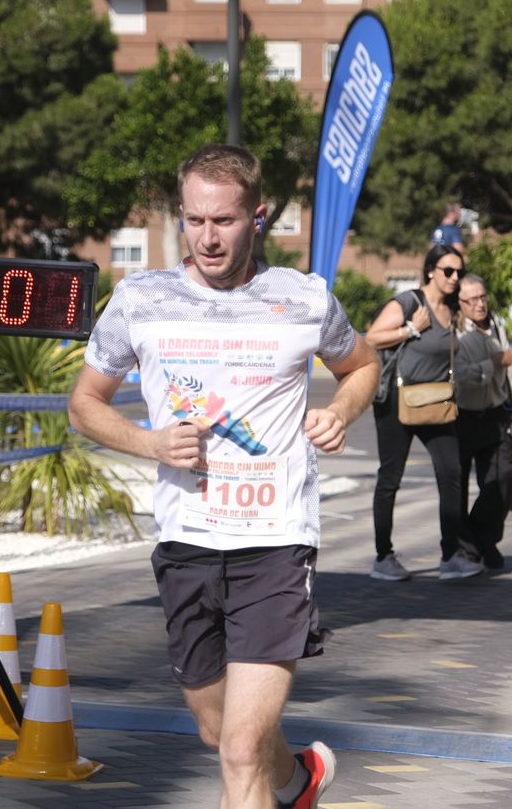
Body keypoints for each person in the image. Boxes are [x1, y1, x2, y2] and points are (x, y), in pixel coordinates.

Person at [68, 143, 378, 809]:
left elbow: (364, 365)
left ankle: (275, 781)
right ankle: (299, 781)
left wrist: (339, 409)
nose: (208, 237)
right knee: (219, 730)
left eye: (225, 221)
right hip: (187, 542)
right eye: (195, 220)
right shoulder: (141, 299)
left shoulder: (301, 298)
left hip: (275, 538)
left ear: (257, 217)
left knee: (239, 750)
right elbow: (83, 404)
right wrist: (150, 440)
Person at [364, 245, 476, 583]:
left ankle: (450, 555)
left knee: (451, 472)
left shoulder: (454, 309)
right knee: (390, 478)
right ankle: (383, 557)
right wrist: (411, 330)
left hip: (437, 399)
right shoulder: (410, 302)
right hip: (397, 400)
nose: (454, 278)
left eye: (459, 272)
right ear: (431, 271)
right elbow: (372, 337)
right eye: (448, 271)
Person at [454, 274, 512, 570]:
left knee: (500, 480)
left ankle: (483, 537)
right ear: (460, 302)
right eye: (472, 300)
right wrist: (491, 363)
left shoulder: (497, 325)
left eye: (482, 297)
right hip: (463, 415)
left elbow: (505, 373)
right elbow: (461, 376)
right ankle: (467, 546)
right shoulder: (453, 331)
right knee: (457, 487)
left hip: (495, 412)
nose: (479, 304)